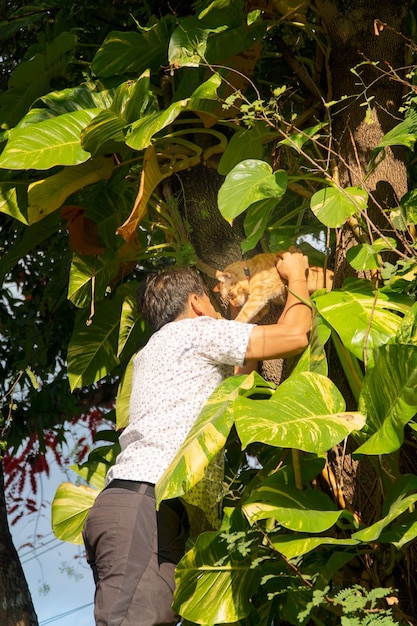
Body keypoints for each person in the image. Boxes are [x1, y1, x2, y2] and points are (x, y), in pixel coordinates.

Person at [82, 249, 311, 626]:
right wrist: (297, 276)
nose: (217, 302)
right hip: (145, 503)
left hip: (141, 506)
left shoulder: (153, 351)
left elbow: (236, 381)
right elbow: (295, 335)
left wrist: (243, 318)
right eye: (210, 294)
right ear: (196, 302)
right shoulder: (195, 332)